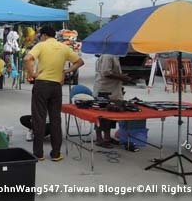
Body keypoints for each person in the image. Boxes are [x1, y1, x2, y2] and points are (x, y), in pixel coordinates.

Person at [24, 25, 84, 162]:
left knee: (39, 119)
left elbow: (27, 59)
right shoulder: (64, 47)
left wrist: (32, 73)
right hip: (56, 87)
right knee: (55, 119)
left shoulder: (41, 45)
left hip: (41, 85)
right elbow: (80, 61)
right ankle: (56, 154)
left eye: (40, 35)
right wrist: (66, 72)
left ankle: (38, 154)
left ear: (44, 35)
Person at [93, 54, 133, 148]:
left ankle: (107, 138)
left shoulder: (114, 55)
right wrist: (121, 77)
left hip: (113, 90)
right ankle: (99, 139)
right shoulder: (108, 55)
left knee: (110, 116)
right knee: (102, 116)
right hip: (105, 90)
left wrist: (121, 81)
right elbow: (106, 73)